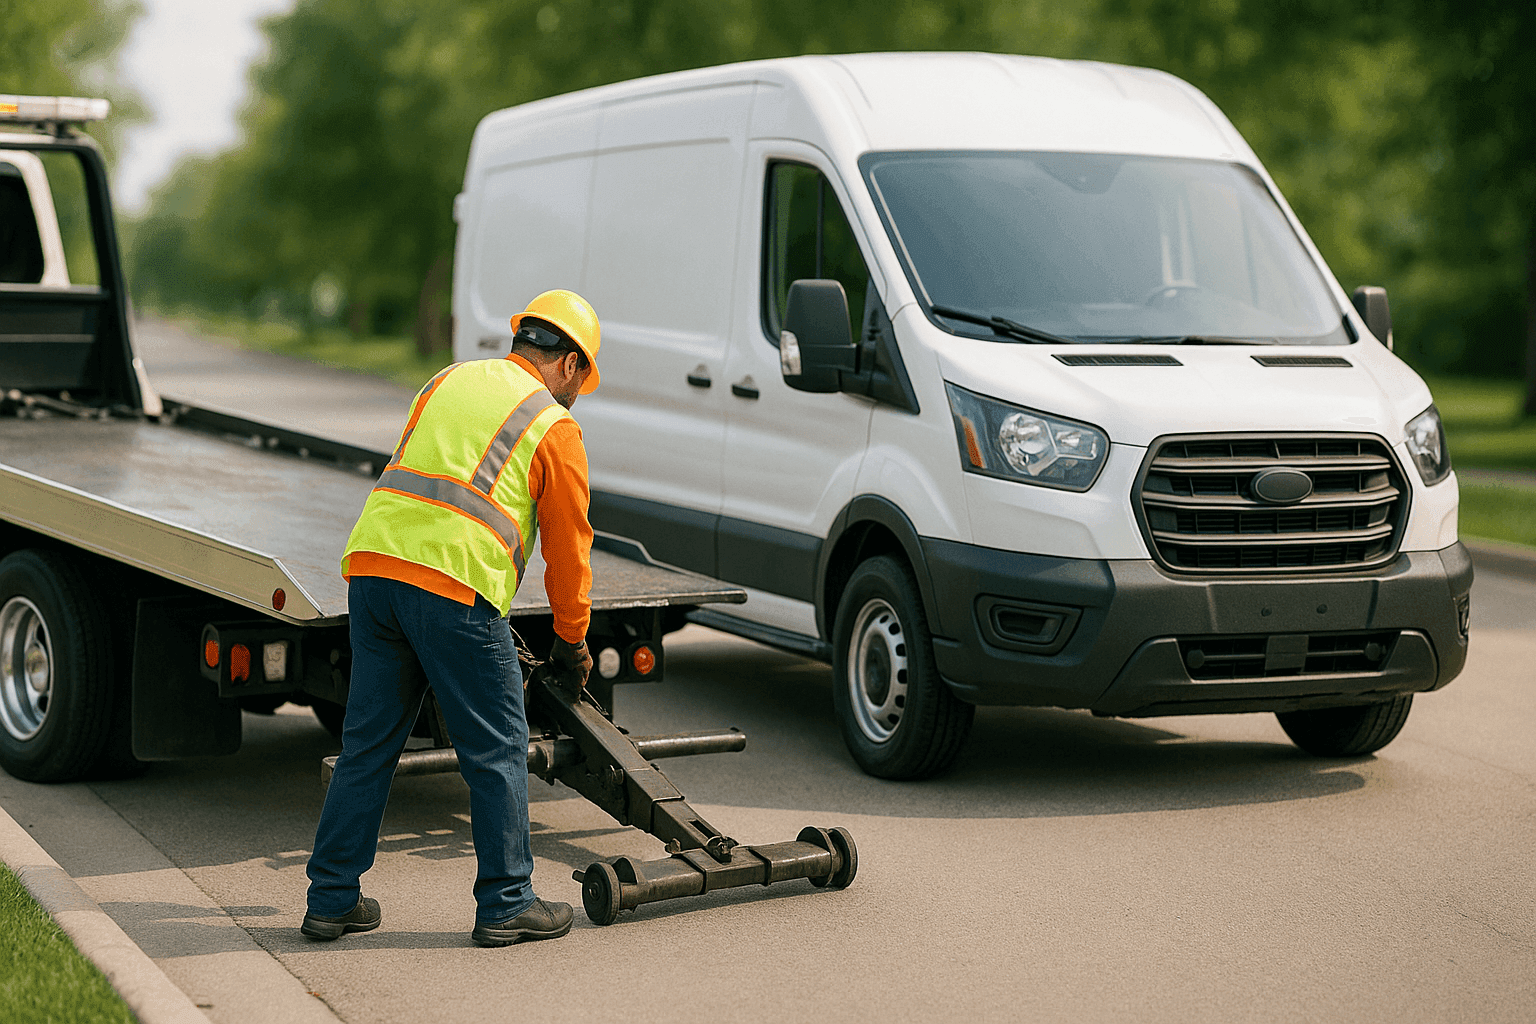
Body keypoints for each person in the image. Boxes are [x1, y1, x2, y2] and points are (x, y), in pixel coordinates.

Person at [302, 289, 601, 947]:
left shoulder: (448, 379)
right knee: (495, 747)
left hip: (375, 571)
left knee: (369, 744)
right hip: (454, 589)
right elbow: (568, 552)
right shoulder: (553, 425)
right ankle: (507, 902)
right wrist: (571, 643)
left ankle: (330, 900)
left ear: (524, 340)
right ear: (571, 365)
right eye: (583, 380)